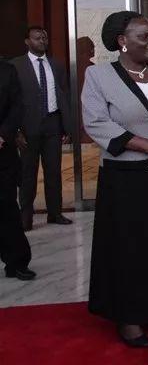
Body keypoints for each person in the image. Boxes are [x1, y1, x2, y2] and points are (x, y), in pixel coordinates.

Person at [82, 11, 148, 347]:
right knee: (129, 248)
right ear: (121, 42)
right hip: (125, 178)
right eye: (143, 37)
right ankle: (129, 318)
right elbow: (97, 122)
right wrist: (147, 146)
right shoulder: (98, 76)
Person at [12, 27, 74, 231]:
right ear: (27, 42)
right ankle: (25, 218)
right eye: (37, 38)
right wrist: (16, 131)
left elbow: (64, 96)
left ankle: (55, 213)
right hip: (27, 128)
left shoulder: (56, 65)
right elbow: (11, 101)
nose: (42, 41)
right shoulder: (16, 66)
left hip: (52, 124)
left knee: (54, 172)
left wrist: (67, 126)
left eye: (45, 37)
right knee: (28, 174)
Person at [0, 61, 34, 281]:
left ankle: (16, 262)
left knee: (6, 206)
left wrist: (3, 135)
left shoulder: (6, 70)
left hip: (2, 150)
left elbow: (17, 106)